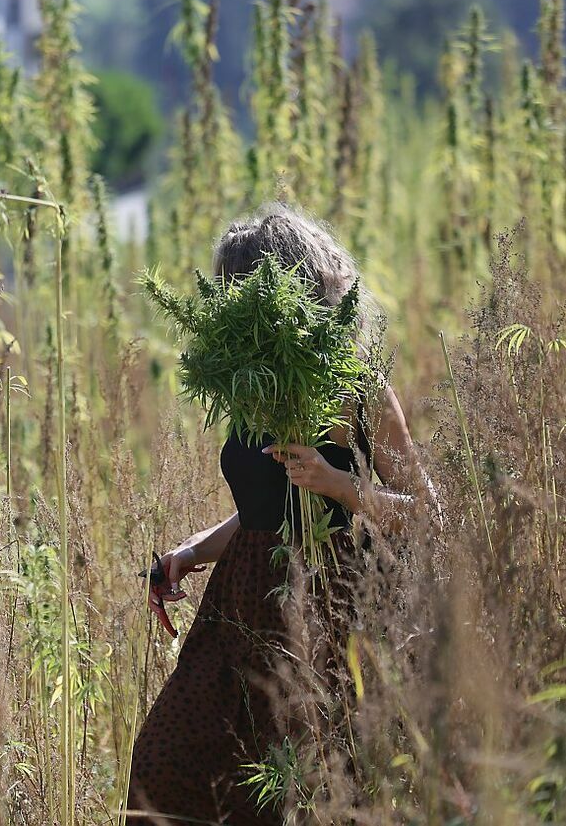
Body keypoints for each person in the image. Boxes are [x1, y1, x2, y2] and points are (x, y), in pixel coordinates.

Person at [124, 203, 436, 824]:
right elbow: (260, 510)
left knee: (314, 784)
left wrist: (340, 485)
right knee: (166, 763)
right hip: (241, 609)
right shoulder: (250, 394)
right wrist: (188, 554)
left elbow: (430, 514)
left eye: (243, 292)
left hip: (332, 605)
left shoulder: (359, 385)